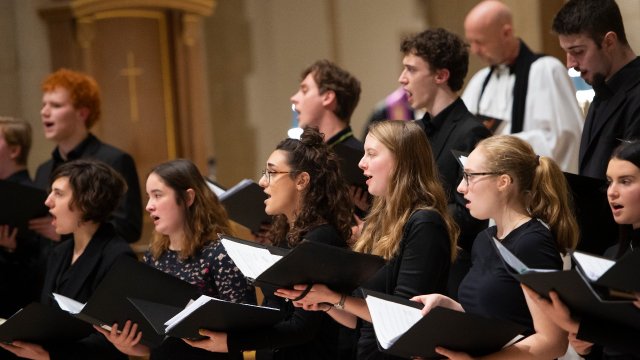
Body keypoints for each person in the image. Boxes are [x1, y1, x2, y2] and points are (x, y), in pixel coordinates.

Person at [276, 120, 459, 360]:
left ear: (401, 162)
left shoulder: (425, 223)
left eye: (371, 154)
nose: (361, 164)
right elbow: (357, 320)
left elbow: (405, 315)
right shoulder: (380, 223)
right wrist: (325, 302)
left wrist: (335, 298)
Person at [184, 127, 353, 359]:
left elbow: (302, 328)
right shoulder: (287, 234)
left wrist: (232, 341)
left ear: (302, 180)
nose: (263, 182)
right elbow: (274, 309)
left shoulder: (320, 238)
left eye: (272, 173)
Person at [410, 135, 579, 359]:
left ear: (503, 182)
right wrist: (449, 305)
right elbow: (498, 318)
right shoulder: (485, 239)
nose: (461, 188)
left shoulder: (533, 243)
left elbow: (552, 342)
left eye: (470, 176)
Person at [95, 159, 255, 360]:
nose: (148, 206)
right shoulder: (154, 256)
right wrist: (127, 345)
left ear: (188, 198)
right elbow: (155, 344)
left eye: (157, 195)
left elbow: (245, 333)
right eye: (148, 197)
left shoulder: (221, 254)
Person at [0, 159, 135, 360]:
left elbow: (110, 341)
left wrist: (50, 354)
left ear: (87, 201)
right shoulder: (61, 251)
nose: (47, 202)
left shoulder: (118, 256)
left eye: (59, 193)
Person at [398, 28, 492, 298]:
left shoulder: (471, 132)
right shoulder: (415, 130)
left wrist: (411, 219)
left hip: (449, 272)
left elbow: (469, 213)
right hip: (418, 260)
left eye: (411, 70)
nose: (402, 79)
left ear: (441, 75)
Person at [527, 140, 640, 359]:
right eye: (609, 182)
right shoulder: (611, 254)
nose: (612, 192)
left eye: (625, 181)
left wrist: (588, 329)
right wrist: (587, 343)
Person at [462, 0, 583, 173]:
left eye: (480, 42)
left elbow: (566, 140)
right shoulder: (479, 81)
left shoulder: (547, 70)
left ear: (506, 33)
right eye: (471, 42)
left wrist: (500, 148)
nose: (474, 50)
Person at [30, 68, 142, 244]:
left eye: (56, 105)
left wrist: (67, 233)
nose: (44, 112)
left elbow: (129, 228)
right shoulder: (43, 170)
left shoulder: (113, 160)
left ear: (82, 113)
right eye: (44, 104)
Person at [552, 0, 640, 180]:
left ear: (609, 42)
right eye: (566, 52)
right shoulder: (602, 91)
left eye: (578, 51)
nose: (570, 64)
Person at [290, 60, 370, 221]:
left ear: (327, 97)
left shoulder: (362, 159)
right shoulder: (306, 157)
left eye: (304, 90)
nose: (294, 98)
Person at [0, 117, 41, 319]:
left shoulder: (34, 197)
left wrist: (11, 250)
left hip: (16, 303)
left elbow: (40, 259)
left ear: (14, 151)